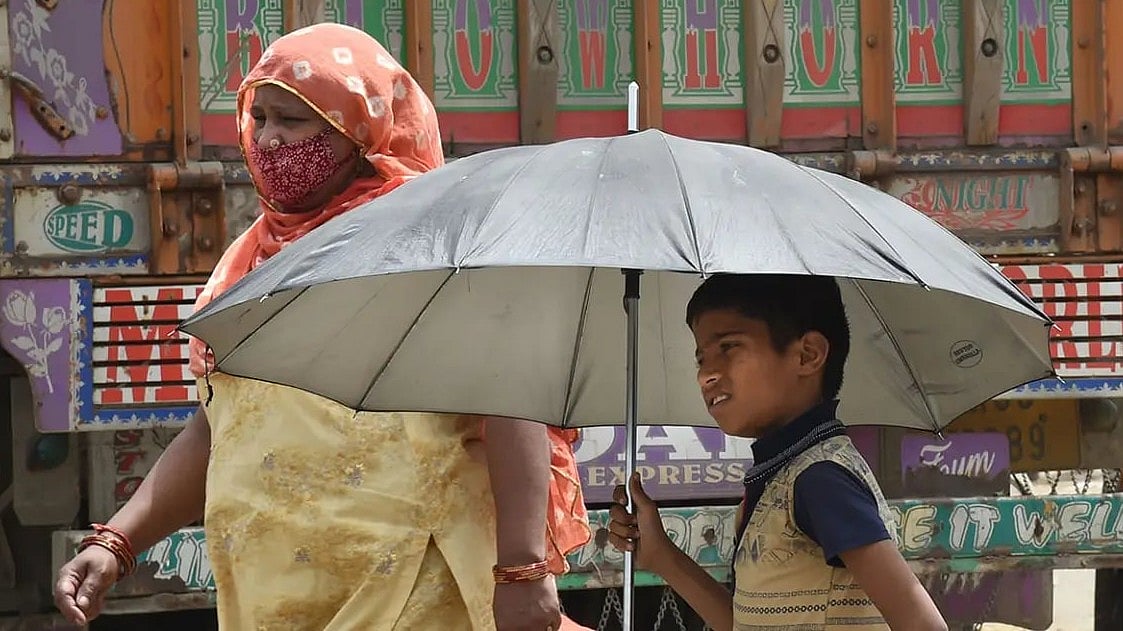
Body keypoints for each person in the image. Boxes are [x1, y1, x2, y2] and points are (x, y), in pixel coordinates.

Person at [53, 23, 590, 631]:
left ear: (356, 131)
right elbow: (220, 431)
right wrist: (116, 543)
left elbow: (509, 396)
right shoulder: (250, 263)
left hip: (416, 590)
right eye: (259, 118)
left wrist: (523, 570)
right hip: (273, 601)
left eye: (294, 121)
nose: (269, 139)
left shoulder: (431, 245)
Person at [606, 274, 947, 630]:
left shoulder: (820, 479)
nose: (705, 375)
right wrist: (661, 557)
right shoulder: (782, 476)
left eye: (728, 348)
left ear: (807, 355)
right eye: (701, 358)